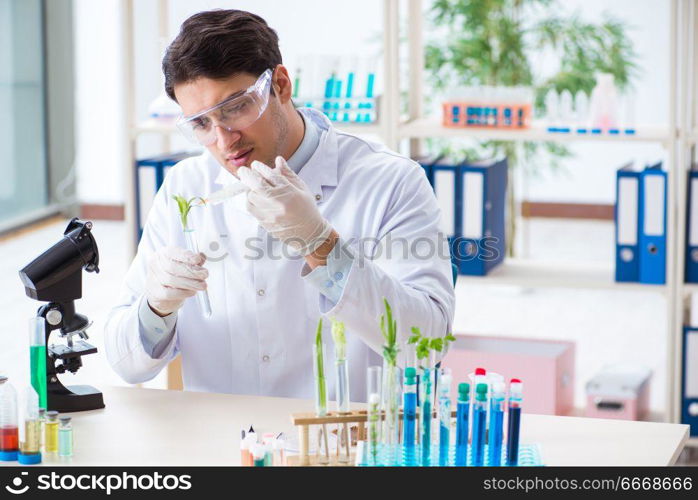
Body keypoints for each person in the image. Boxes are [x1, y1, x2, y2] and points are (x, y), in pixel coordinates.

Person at [104, 9, 454, 400]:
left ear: (281, 85)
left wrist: (322, 244)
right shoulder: (186, 186)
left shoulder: (390, 180)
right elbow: (125, 363)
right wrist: (157, 307)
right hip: (223, 442)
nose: (224, 141)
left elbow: (427, 345)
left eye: (235, 107)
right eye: (201, 124)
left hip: (345, 442)